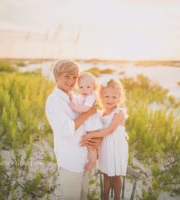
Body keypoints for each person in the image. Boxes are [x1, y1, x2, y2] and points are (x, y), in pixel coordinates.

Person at [45, 59, 101, 200]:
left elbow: (92, 120)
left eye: (74, 77)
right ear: (57, 76)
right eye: (67, 76)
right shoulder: (53, 101)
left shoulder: (75, 97)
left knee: (83, 196)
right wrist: (88, 113)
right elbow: (66, 130)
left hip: (84, 158)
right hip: (70, 160)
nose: (71, 81)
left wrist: (97, 137)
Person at [80, 79, 128, 200]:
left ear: (119, 98)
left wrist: (91, 135)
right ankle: (105, 197)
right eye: (106, 96)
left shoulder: (119, 113)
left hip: (116, 148)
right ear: (101, 97)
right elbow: (96, 128)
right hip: (106, 148)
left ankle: (117, 197)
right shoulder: (101, 114)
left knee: (116, 176)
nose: (110, 100)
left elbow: (109, 131)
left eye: (114, 97)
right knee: (106, 174)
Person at [68, 72, 103, 171]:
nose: (84, 89)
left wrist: (74, 108)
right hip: (90, 127)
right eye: (81, 87)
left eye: (88, 87)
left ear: (94, 88)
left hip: (94, 127)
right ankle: (95, 157)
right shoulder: (82, 97)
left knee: (91, 146)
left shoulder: (91, 97)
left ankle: (92, 162)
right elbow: (76, 100)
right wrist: (70, 95)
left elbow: (86, 109)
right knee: (90, 145)